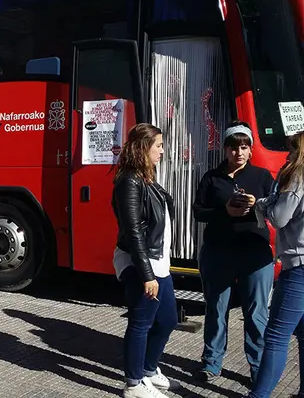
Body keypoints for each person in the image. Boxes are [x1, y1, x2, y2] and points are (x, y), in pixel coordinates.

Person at [192, 121, 275, 384]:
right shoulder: (211, 177)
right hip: (218, 251)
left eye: (244, 147)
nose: (238, 152)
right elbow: (198, 211)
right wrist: (224, 211)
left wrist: (258, 204)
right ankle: (211, 363)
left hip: (255, 253)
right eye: (233, 147)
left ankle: (258, 367)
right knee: (216, 310)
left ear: (250, 150)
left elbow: (277, 209)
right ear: (225, 149)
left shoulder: (262, 176)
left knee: (257, 313)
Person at [112, 123, 178, 398]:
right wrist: (147, 275)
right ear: (143, 148)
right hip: (140, 263)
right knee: (141, 322)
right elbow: (133, 231)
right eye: (158, 145)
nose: (162, 151)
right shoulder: (129, 180)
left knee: (168, 319)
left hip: (158, 261)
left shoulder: (146, 177)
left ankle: (149, 370)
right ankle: (134, 384)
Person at [246, 131, 304, 397]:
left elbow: (279, 217)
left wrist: (262, 205)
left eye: (291, 150)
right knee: (302, 333)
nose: (287, 156)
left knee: (276, 336)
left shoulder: (297, 177)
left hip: (299, 265)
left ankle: (258, 395)